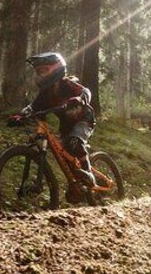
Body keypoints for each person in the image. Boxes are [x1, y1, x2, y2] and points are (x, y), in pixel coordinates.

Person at [9, 52, 95, 195]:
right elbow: (33, 107)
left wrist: (81, 99)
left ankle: (88, 173)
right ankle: (76, 185)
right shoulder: (45, 94)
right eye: (38, 71)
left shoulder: (66, 84)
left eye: (44, 70)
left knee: (75, 141)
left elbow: (85, 91)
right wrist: (21, 115)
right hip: (66, 125)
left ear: (57, 69)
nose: (40, 74)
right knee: (66, 156)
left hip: (83, 119)